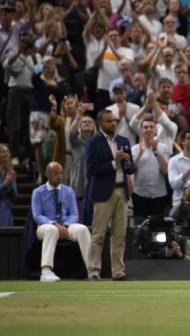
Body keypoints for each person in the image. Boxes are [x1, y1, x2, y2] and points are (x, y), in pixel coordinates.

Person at [85, 109, 136, 281]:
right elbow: (91, 170)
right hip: (103, 193)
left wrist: (127, 162)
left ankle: (118, 272)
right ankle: (93, 271)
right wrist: (114, 163)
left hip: (122, 191)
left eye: (114, 121)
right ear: (100, 123)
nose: (113, 124)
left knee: (119, 235)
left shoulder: (124, 141)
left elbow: (132, 169)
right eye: (109, 121)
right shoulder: (93, 142)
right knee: (98, 234)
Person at [31, 162, 91, 282]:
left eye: (61, 173)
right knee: (51, 230)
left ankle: (92, 269)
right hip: (45, 226)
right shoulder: (38, 192)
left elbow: (74, 214)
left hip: (65, 225)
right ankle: (46, 271)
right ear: (47, 174)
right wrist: (54, 224)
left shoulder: (69, 191)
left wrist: (65, 225)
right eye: (56, 173)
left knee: (83, 229)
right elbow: (37, 216)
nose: (59, 176)